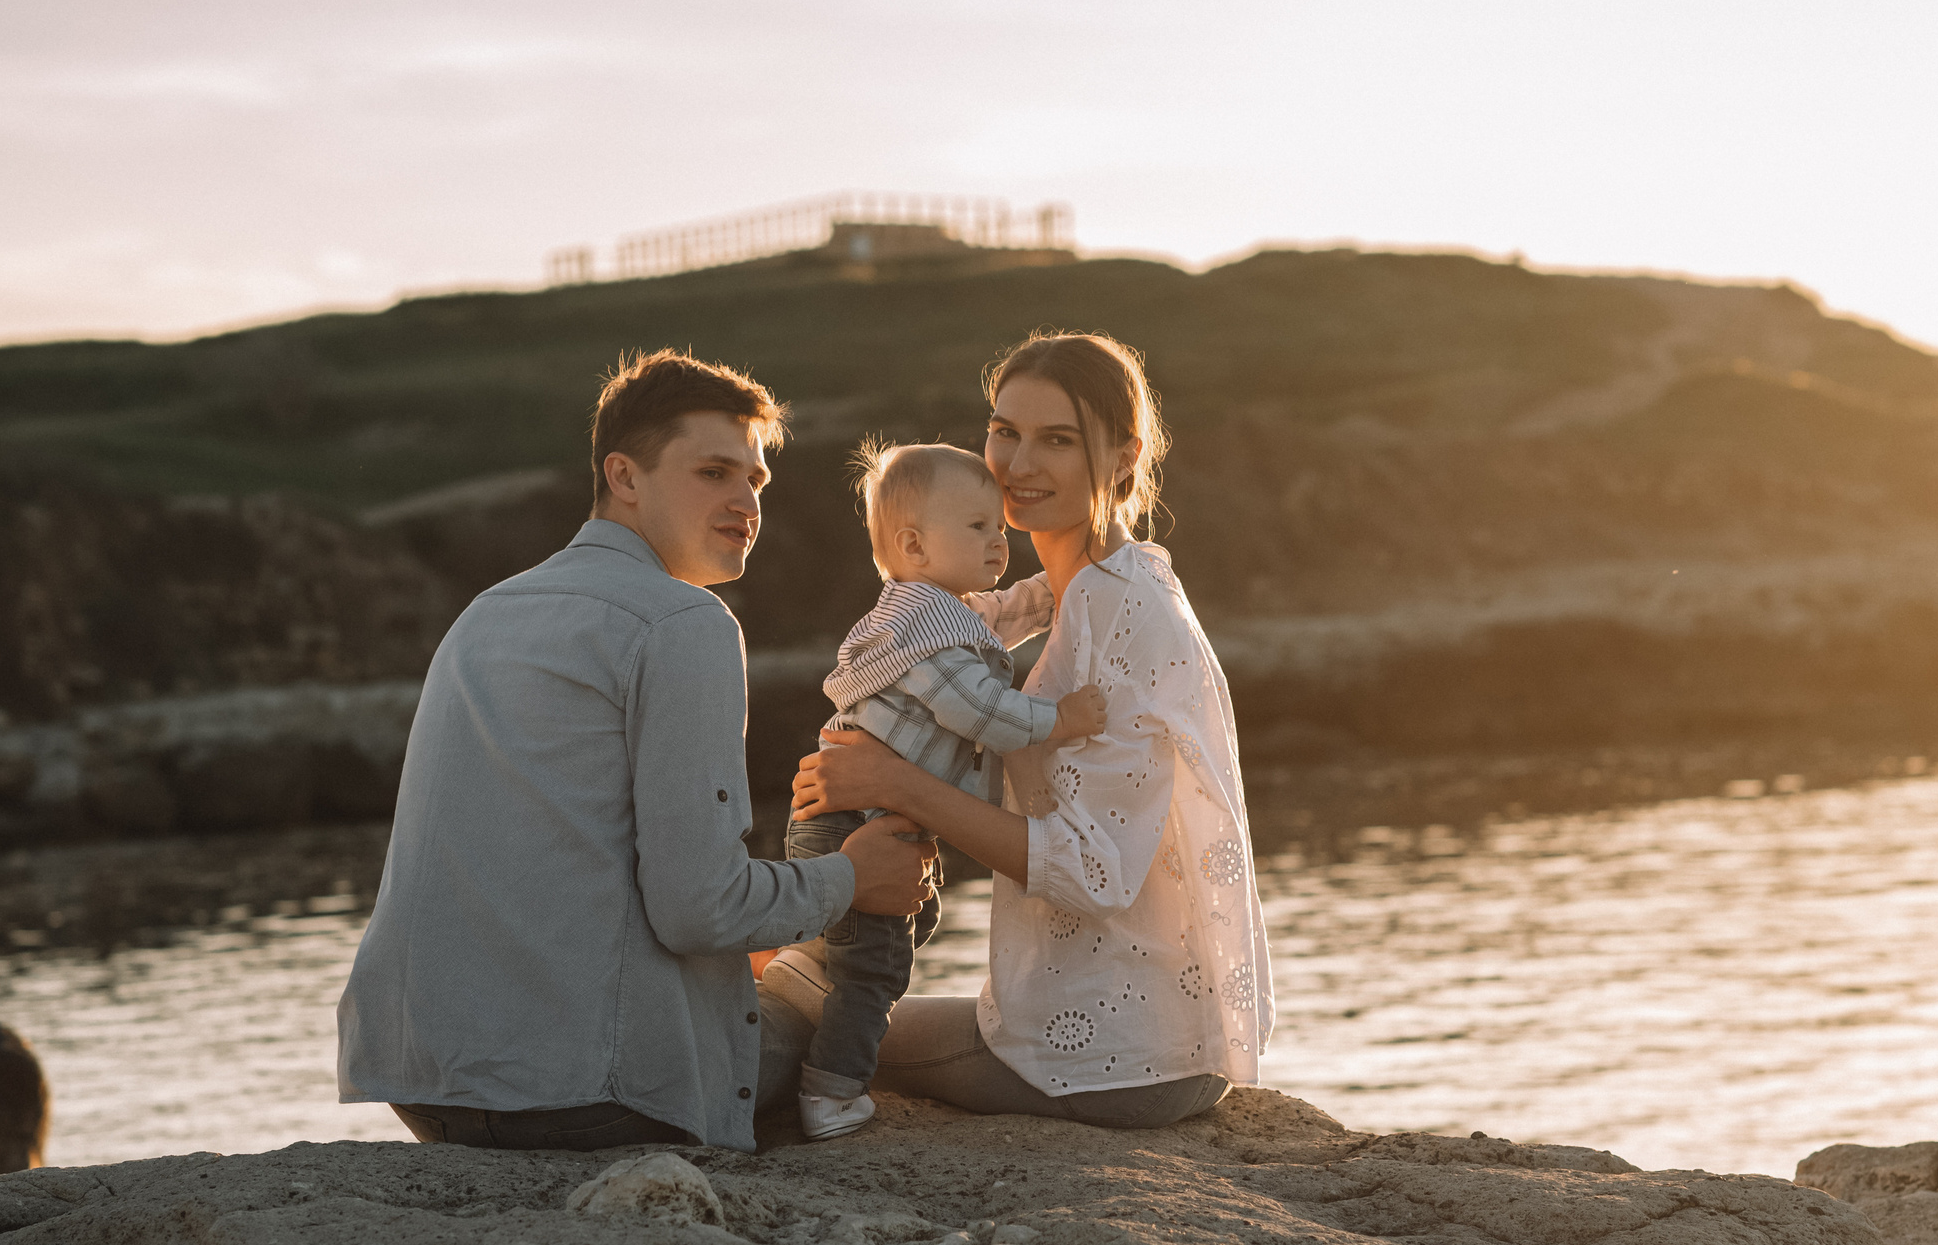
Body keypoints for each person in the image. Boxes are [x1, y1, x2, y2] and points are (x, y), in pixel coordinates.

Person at [336, 348, 932, 1153]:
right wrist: (855, 875)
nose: (745, 502)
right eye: (714, 472)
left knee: (766, 964)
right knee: (827, 987)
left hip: (425, 1086)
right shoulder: (684, 624)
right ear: (624, 475)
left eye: (754, 481)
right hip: (589, 1097)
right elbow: (698, 909)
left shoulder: (486, 612)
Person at [770, 331, 1272, 1129]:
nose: (1017, 463)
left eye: (1058, 439)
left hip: (1109, 1055)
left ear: (1122, 455)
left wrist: (893, 784)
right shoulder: (1087, 588)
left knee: (811, 1003)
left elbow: (1092, 872)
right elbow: (959, 644)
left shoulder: (1125, 612)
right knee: (816, 971)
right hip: (1112, 1028)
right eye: (1005, 430)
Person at [778, 441, 1108, 1140]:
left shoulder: (927, 610)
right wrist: (1061, 719)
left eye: (999, 526)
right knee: (878, 967)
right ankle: (830, 1090)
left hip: (843, 814)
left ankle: (808, 967)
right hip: (851, 822)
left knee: (910, 924)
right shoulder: (931, 641)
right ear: (914, 545)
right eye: (978, 527)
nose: (999, 539)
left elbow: (1009, 612)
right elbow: (984, 709)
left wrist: (1064, 580)